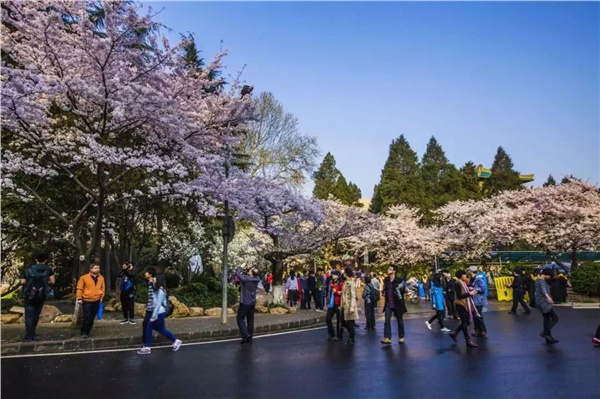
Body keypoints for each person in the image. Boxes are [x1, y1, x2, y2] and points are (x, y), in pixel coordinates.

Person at [138, 267, 182, 355]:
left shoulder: (160, 291)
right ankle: (175, 341)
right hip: (155, 311)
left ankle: (147, 347)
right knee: (159, 329)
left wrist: (154, 316)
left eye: (154, 280)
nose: (153, 280)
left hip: (158, 313)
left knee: (151, 327)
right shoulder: (155, 288)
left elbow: (158, 304)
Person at [20, 252, 55, 342]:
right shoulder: (48, 270)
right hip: (41, 294)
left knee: (29, 316)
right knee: (36, 314)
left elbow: (23, 282)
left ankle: (29, 336)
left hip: (29, 295)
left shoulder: (28, 270)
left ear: (36, 260)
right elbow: (53, 281)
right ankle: (34, 333)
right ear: (45, 260)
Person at [449, 270, 479, 348]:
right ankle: (467, 340)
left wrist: (470, 289)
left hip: (464, 304)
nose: (466, 276)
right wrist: (470, 293)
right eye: (464, 275)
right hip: (461, 305)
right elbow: (459, 295)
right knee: (465, 322)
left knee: (466, 322)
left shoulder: (462, 283)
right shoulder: (458, 283)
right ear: (461, 276)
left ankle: (455, 333)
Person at [76, 263, 105, 339]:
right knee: (87, 316)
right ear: (91, 269)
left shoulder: (101, 278)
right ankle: (84, 332)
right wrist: (79, 297)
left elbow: (102, 288)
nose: (97, 269)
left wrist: (101, 297)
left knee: (92, 316)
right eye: (95, 268)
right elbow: (80, 288)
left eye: (98, 268)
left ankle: (88, 330)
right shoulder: (84, 278)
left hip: (97, 299)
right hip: (87, 299)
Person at [381, 265, 407, 345]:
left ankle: (401, 336)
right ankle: (387, 337)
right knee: (387, 320)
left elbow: (403, 291)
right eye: (388, 268)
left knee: (399, 320)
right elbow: (384, 289)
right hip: (389, 303)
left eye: (390, 269)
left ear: (394, 271)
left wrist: (401, 288)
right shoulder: (386, 280)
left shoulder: (399, 280)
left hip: (397, 304)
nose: (388, 270)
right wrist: (383, 292)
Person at [236, 266, 260, 344]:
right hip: (252, 302)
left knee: (240, 318)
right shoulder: (257, 279)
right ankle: (250, 337)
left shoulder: (246, 279)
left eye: (250, 270)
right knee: (250, 320)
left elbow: (237, 274)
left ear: (251, 273)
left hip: (245, 302)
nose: (248, 271)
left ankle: (245, 334)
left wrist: (240, 267)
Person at [535, 269, 559, 344]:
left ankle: (548, 338)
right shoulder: (541, 280)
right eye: (549, 276)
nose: (549, 277)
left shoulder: (537, 280)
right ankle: (545, 333)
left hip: (539, 302)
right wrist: (548, 297)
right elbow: (543, 289)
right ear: (546, 274)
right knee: (555, 318)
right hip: (544, 302)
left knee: (546, 319)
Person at [340, 267, 359, 345]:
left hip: (349, 306)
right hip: (345, 305)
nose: (343, 274)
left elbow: (353, 296)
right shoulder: (345, 282)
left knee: (350, 323)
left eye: (345, 273)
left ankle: (352, 338)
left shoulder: (351, 283)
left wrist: (352, 307)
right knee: (343, 321)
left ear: (347, 274)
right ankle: (351, 336)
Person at [469, 267, 488, 338]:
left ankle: (483, 329)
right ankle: (476, 329)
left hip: (478, 299)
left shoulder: (479, 279)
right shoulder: (471, 279)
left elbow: (483, 288)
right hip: (472, 299)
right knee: (474, 315)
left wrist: (474, 289)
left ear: (471, 271)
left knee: (478, 315)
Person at [326, 270, 344, 341]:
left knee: (339, 321)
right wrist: (327, 301)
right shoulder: (331, 282)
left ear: (338, 275)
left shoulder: (341, 283)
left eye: (334, 274)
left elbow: (343, 292)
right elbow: (328, 292)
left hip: (338, 303)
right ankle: (331, 334)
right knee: (328, 319)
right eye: (332, 274)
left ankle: (339, 335)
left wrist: (336, 292)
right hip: (331, 303)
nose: (332, 275)